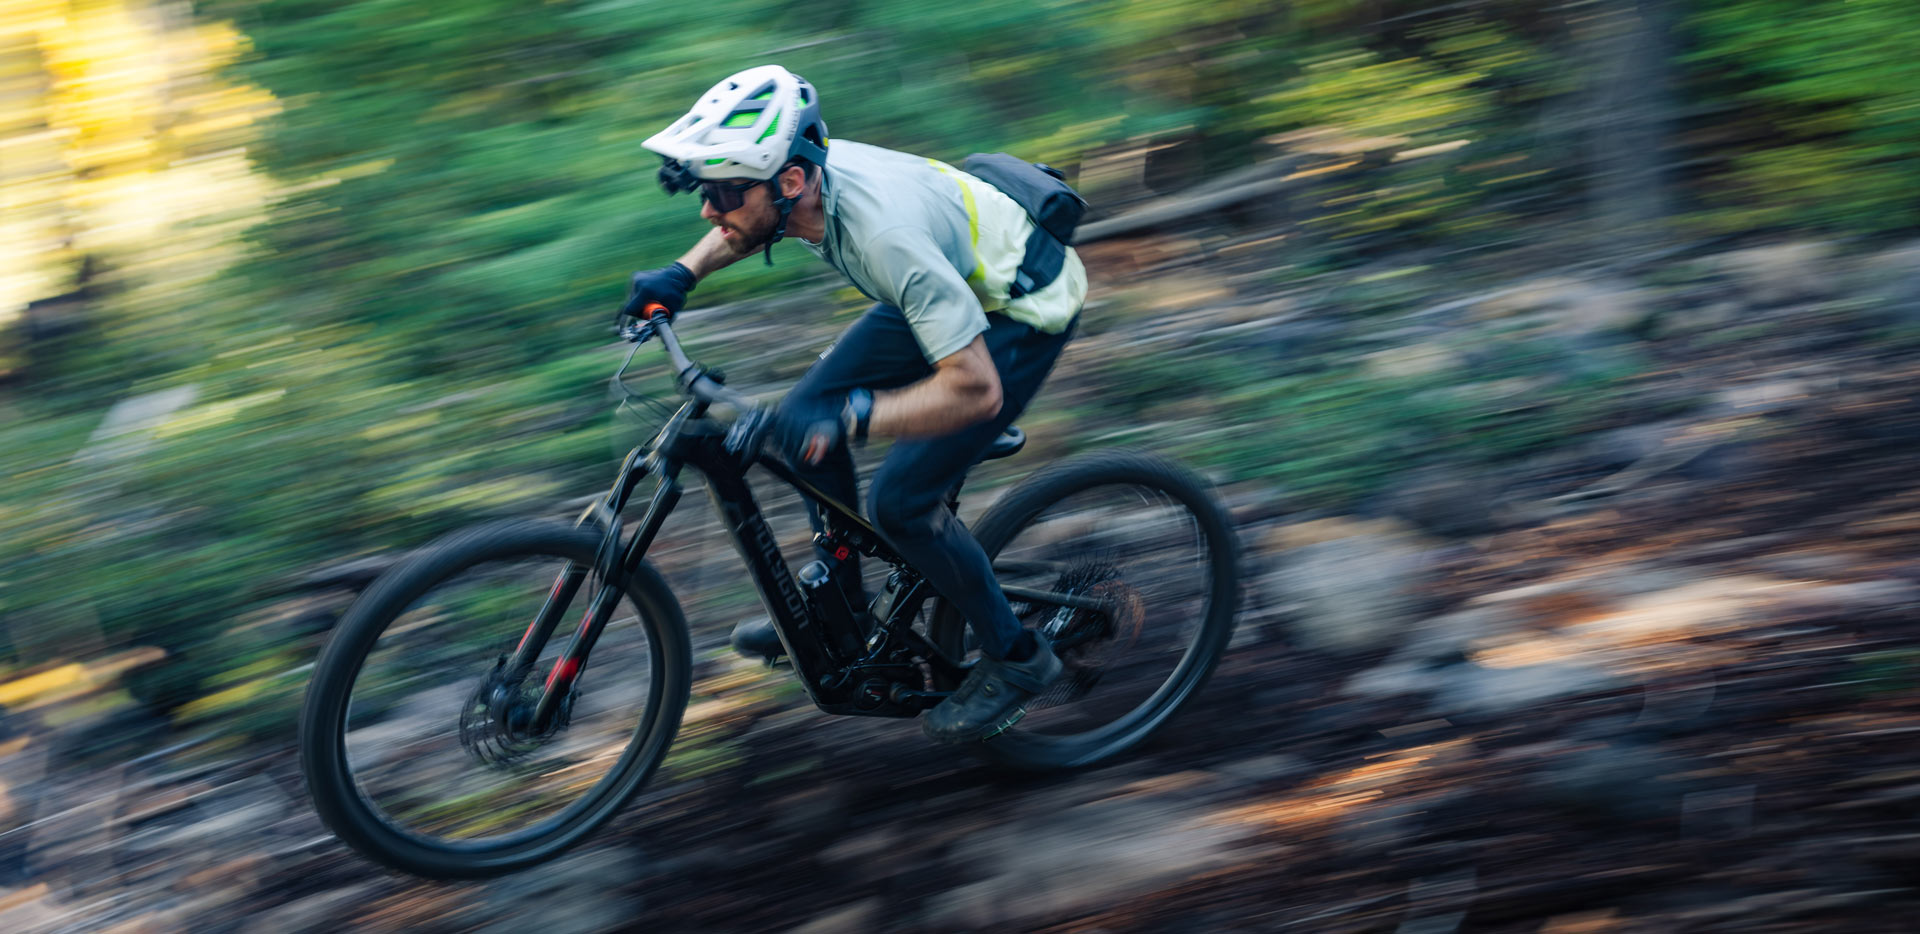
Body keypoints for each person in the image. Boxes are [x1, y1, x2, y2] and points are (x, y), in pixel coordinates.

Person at [623, 64, 1087, 743]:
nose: (707, 210)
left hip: (1021, 309)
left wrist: (850, 418)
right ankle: (842, 607)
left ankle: (1018, 658)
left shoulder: (884, 237)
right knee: (798, 416)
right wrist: (680, 275)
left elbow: (976, 387)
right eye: (705, 191)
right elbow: (745, 222)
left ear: (790, 182)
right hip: (946, 281)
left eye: (721, 192)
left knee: (899, 503)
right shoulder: (800, 182)